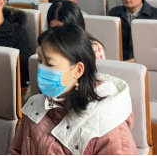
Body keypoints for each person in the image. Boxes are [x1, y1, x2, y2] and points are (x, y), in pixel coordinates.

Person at [10, 25, 136, 156]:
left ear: (78, 70)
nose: (41, 69)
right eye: (40, 62)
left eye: (50, 64)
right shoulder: (34, 107)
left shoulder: (106, 122)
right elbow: (16, 151)